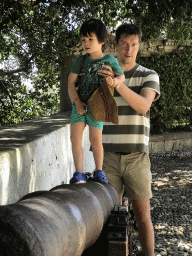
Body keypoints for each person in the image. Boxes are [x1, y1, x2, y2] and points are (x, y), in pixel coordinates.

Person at [98, 23, 160, 256]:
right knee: (107, 216)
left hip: (137, 157)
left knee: (143, 215)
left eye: (134, 44)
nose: (129, 49)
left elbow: (143, 106)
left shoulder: (148, 75)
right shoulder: (103, 74)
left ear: (139, 46)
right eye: (124, 43)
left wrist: (118, 83)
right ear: (116, 44)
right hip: (108, 156)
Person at [68, 18, 125, 184]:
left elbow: (121, 76)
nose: (86, 43)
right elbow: (70, 82)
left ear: (102, 41)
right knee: (75, 139)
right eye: (83, 40)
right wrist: (77, 102)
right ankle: (78, 172)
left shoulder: (110, 60)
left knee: (96, 140)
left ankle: (99, 171)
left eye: (90, 39)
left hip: (98, 105)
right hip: (79, 104)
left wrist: (114, 81)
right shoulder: (81, 60)